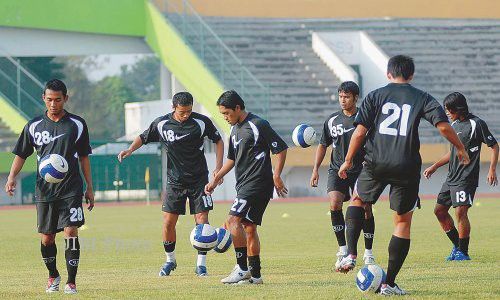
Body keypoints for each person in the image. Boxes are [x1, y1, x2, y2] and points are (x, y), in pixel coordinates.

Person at [336, 55, 470, 295]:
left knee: (357, 200)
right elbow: (442, 126)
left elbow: (359, 133)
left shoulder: (375, 96)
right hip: (406, 166)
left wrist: (347, 161)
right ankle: (389, 283)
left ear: (388, 74)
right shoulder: (422, 97)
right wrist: (460, 148)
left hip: (375, 162)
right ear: (411, 75)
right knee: (402, 222)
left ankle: (350, 253)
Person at [117, 92, 223, 277]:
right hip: (175, 181)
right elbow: (143, 137)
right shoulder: (162, 124)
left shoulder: (202, 122)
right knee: (168, 222)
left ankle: (201, 265)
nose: (186, 115)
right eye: (182, 112)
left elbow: (218, 140)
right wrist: (130, 149)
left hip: (199, 180)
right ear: (173, 108)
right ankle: (170, 260)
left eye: (189, 111)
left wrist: (218, 168)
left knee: (202, 221)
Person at [5, 79, 94, 294]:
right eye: (49, 99)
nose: (53, 104)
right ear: (43, 98)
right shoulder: (34, 126)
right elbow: (21, 154)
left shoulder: (77, 124)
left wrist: (89, 187)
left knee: (71, 232)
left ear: (66, 99)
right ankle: (53, 275)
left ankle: (71, 282)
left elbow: (83, 157)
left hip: (71, 188)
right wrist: (11, 177)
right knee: (47, 238)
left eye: (58, 100)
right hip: (44, 191)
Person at [205, 90, 288, 284]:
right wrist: (216, 179)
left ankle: (242, 268)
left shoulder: (258, 124)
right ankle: (256, 275)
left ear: (238, 108)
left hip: (257, 183)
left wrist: (276, 175)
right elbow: (232, 159)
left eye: (227, 113)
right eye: (222, 114)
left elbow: (281, 149)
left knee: (233, 220)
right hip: (244, 184)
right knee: (249, 228)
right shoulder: (234, 130)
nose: (225, 118)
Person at [423, 92, 498, 261]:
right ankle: (458, 247)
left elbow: (494, 146)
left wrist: (492, 169)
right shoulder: (454, 125)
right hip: (452, 178)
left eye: (449, 109)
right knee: (439, 211)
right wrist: (434, 166)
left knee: (460, 212)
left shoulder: (476, 123)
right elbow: (454, 152)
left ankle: (463, 253)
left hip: (467, 177)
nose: (447, 112)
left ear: (459, 108)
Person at [310, 81, 375, 271]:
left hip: (361, 169)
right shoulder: (332, 120)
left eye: (346, 97)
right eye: (340, 96)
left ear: (356, 98)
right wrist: (315, 169)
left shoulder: (365, 118)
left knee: (366, 209)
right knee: (334, 204)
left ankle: (369, 252)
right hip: (337, 169)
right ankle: (343, 249)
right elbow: (323, 145)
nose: (343, 100)